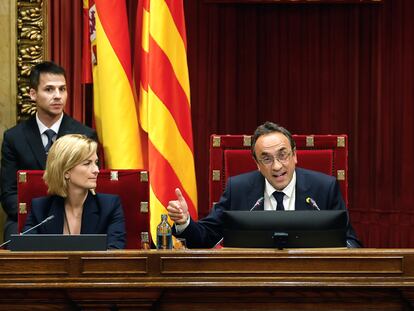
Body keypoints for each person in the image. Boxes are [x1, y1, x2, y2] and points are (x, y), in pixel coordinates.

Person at [167, 121, 362, 248]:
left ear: (295, 156)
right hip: (252, 284)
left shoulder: (324, 188)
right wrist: (184, 221)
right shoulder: (239, 189)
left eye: (283, 155)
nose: (277, 166)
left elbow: (350, 242)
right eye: (266, 159)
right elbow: (206, 237)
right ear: (257, 164)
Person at [0, 61, 98, 242]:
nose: (57, 96)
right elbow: (8, 193)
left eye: (62, 89)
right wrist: (37, 216)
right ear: (33, 94)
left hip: (73, 214)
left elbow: (92, 184)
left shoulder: (84, 134)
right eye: (49, 90)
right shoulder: (14, 138)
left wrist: (64, 213)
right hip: (28, 217)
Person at [23, 134, 125, 249]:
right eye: (87, 163)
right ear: (66, 171)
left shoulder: (109, 206)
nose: (96, 170)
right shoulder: (40, 208)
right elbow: (28, 254)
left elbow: (115, 254)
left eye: (96, 163)